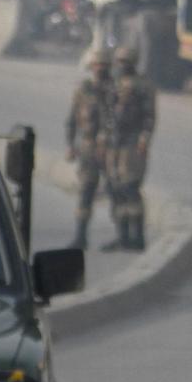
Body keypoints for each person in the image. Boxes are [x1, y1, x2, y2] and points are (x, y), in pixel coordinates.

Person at [101, 44, 156, 251]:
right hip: (113, 144)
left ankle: (137, 237)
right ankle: (122, 236)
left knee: (130, 187)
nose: (122, 65)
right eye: (120, 61)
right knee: (114, 189)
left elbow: (149, 117)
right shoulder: (113, 84)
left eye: (126, 62)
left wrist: (144, 139)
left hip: (132, 144)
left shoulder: (143, 86)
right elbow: (105, 112)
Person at [64, 47, 112, 249]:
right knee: (85, 191)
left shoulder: (115, 90)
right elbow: (72, 120)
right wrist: (70, 146)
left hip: (110, 149)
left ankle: (126, 236)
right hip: (87, 147)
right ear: (92, 66)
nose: (99, 68)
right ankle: (81, 236)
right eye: (97, 64)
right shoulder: (83, 91)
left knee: (117, 191)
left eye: (103, 64)